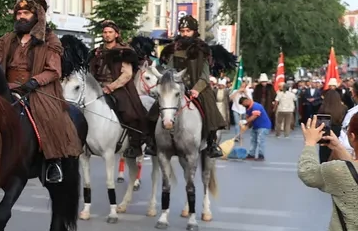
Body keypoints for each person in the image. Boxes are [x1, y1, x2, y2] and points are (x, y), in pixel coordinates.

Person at [0, 0, 82, 183]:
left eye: (26, 13)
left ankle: (53, 161)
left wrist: (34, 82)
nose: (21, 17)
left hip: (38, 87)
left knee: (49, 115)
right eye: (19, 13)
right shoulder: (6, 39)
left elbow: (54, 70)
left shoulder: (50, 40)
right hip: (6, 86)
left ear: (37, 16)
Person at [151, 15, 224, 158]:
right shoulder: (174, 48)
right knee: (157, 107)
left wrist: (196, 89)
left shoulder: (203, 49)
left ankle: (211, 142)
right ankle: (152, 141)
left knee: (209, 108)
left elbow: (205, 75)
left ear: (194, 31)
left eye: (188, 31)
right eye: (182, 31)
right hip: (177, 87)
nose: (184, 34)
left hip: (198, 87)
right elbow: (169, 70)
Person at [89, 20, 149, 157]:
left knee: (130, 113)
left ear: (116, 34)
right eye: (105, 32)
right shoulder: (96, 52)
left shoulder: (124, 51)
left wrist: (110, 87)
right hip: (96, 87)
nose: (107, 35)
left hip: (117, 87)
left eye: (110, 32)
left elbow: (127, 74)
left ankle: (134, 145)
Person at [239, 96, 271, 161]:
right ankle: (251, 154)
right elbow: (248, 118)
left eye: (243, 104)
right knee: (253, 141)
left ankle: (261, 155)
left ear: (246, 101)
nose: (243, 106)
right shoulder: (248, 108)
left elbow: (254, 116)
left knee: (260, 141)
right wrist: (245, 126)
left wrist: (245, 121)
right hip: (256, 126)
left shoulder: (256, 106)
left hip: (263, 126)